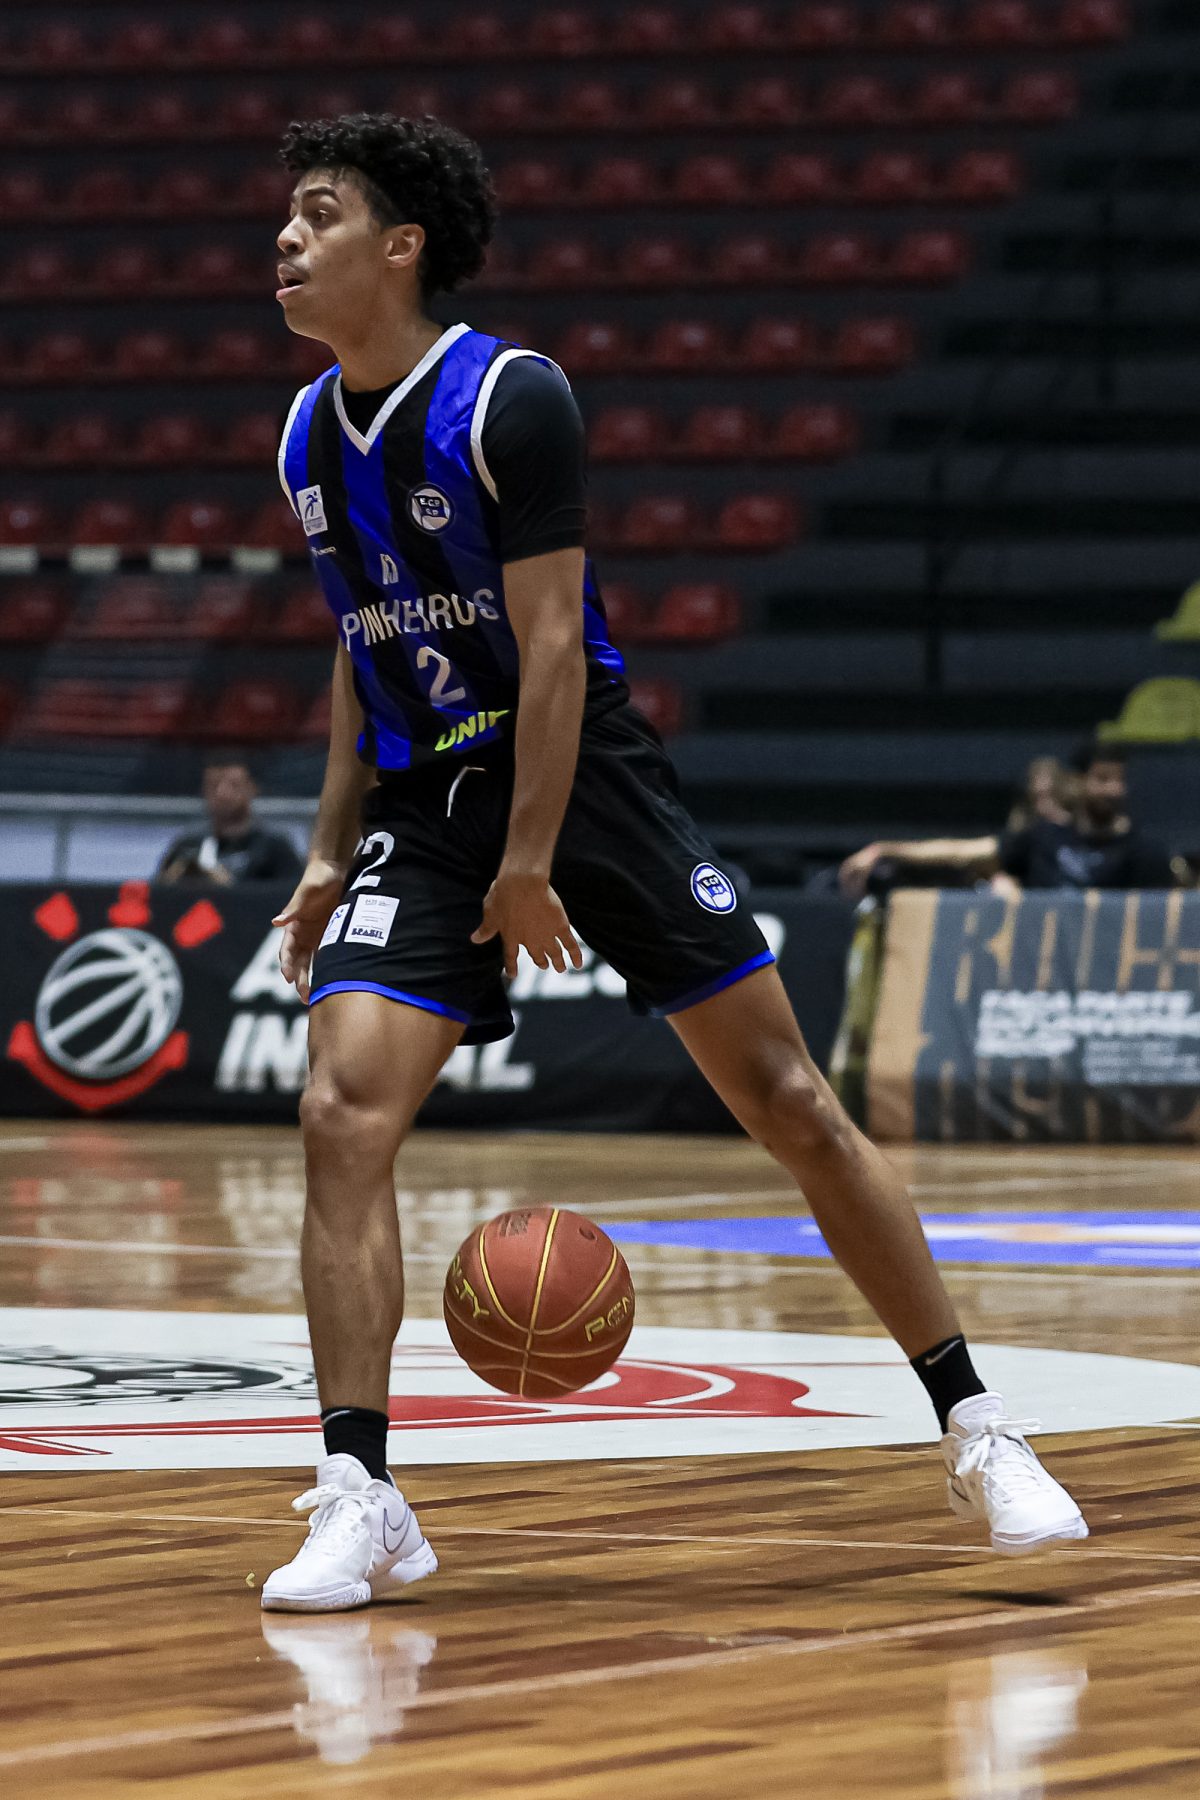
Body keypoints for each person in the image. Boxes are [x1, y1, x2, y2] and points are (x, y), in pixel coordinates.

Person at [261, 112, 1085, 1614]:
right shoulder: (307, 434)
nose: (286, 239)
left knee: (790, 1101)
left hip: (586, 784)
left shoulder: (509, 396)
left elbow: (553, 648)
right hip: (427, 805)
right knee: (338, 1110)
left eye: (319, 214)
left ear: (403, 245)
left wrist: (530, 859)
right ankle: (360, 1490)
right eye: (288, 217)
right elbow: (358, 642)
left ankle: (978, 1427)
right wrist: (327, 849)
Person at [840, 743, 1174, 899]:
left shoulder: (1144, 852)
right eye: (1103, 779)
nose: (1114, 790)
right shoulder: (1042, 838)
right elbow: (960, 852)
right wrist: (883, 849)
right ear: (1076, 782)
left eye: (1120, 781)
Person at [157, 753, 303, 886]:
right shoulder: (188, 845)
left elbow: (294, 895)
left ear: (251, 789)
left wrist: (227, 886)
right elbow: (156, 893)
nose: (222, 793)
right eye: (213, 785)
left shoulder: (273, 846)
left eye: (233, 785)